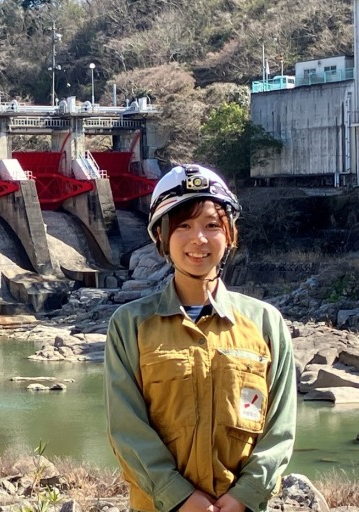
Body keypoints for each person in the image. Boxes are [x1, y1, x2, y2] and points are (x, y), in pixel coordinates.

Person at [103, 164, 296, 512]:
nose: (199, 239)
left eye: (212, 225)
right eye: (183, 226)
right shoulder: (130, 325)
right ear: (160, 237)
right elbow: (126, 428)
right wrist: (179, 496)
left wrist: (244, 497)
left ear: (231, 234)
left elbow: (280, 430)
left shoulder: (265, 323)